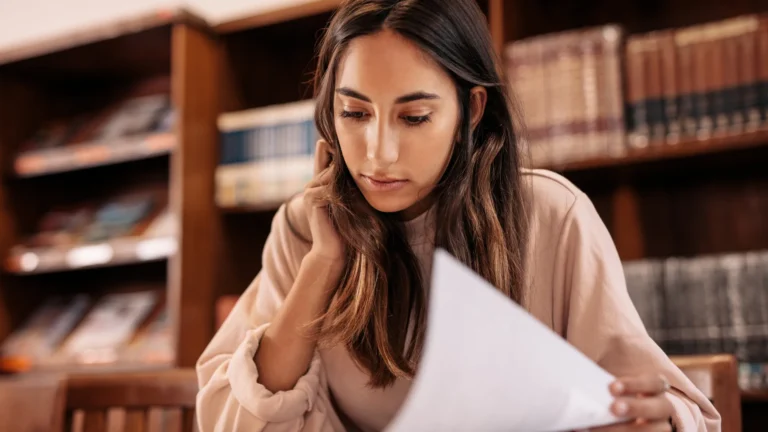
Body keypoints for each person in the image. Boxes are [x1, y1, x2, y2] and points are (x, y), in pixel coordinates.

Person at [196, 0, 721, 430]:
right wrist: (323, 264)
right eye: (353, 113)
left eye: (415, 117)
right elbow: (232, 420)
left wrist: (650, 420)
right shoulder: (305, 227)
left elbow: (669, 408)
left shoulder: (551, 216)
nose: (378, 154)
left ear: (470, 110)